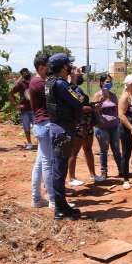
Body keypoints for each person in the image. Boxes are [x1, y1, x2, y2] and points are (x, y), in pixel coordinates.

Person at [46, 53, 94, 220]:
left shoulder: (52, 82)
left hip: (59, 127)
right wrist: (72, 83)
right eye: (69, 65)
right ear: (64, 67)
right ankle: (59, 209)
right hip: (62, 129)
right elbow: (79, 100)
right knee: (59, 170)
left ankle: (62, 205)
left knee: (60, 169)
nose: (71, 68)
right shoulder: (60, 84)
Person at [67, 68, 104, 186]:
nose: (80, 74)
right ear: (70, 76)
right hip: (78, 124)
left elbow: (84, 104)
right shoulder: (69, 90)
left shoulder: (77, 89)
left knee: (88, 149)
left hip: (86, 123)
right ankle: (71, 178)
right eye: (77, 73)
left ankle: (93, 174)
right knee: (74, 151)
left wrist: (93, 106)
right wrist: (93, 108)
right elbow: (78, 108)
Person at [29, 54, 55, 209]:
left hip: (40, 125)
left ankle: (36, 198)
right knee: (48, 163)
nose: (50, 70)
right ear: (41, 68)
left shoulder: (36, 81)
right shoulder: (39, 83)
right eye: (48, 67)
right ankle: (52, 199)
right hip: (45, 124)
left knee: (40, 163)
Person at [93, 74, 123, 179]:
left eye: (110, 81)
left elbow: (117, 111)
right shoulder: (97, 95)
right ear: (101, 83)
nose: (109, 83)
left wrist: (119, 123)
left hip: (114, 127)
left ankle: (122, 170)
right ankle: (104, 172)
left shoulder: (113, 96)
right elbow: (95, 111)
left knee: (116, 150)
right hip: (102, 128)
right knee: (104, 150)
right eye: (107, 81)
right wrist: (102, 99)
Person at [9, 68, 34, 149]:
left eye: (27, 72)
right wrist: (16, 104)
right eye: (24, 73)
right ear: (22, 75)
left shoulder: (33, 82)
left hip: (34, 108)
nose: (26, 74)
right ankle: (29, 143)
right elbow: (11, 93)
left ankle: (40, 142)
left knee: (37, 126)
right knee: (26, 127)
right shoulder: (20, 84)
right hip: (25, 109)